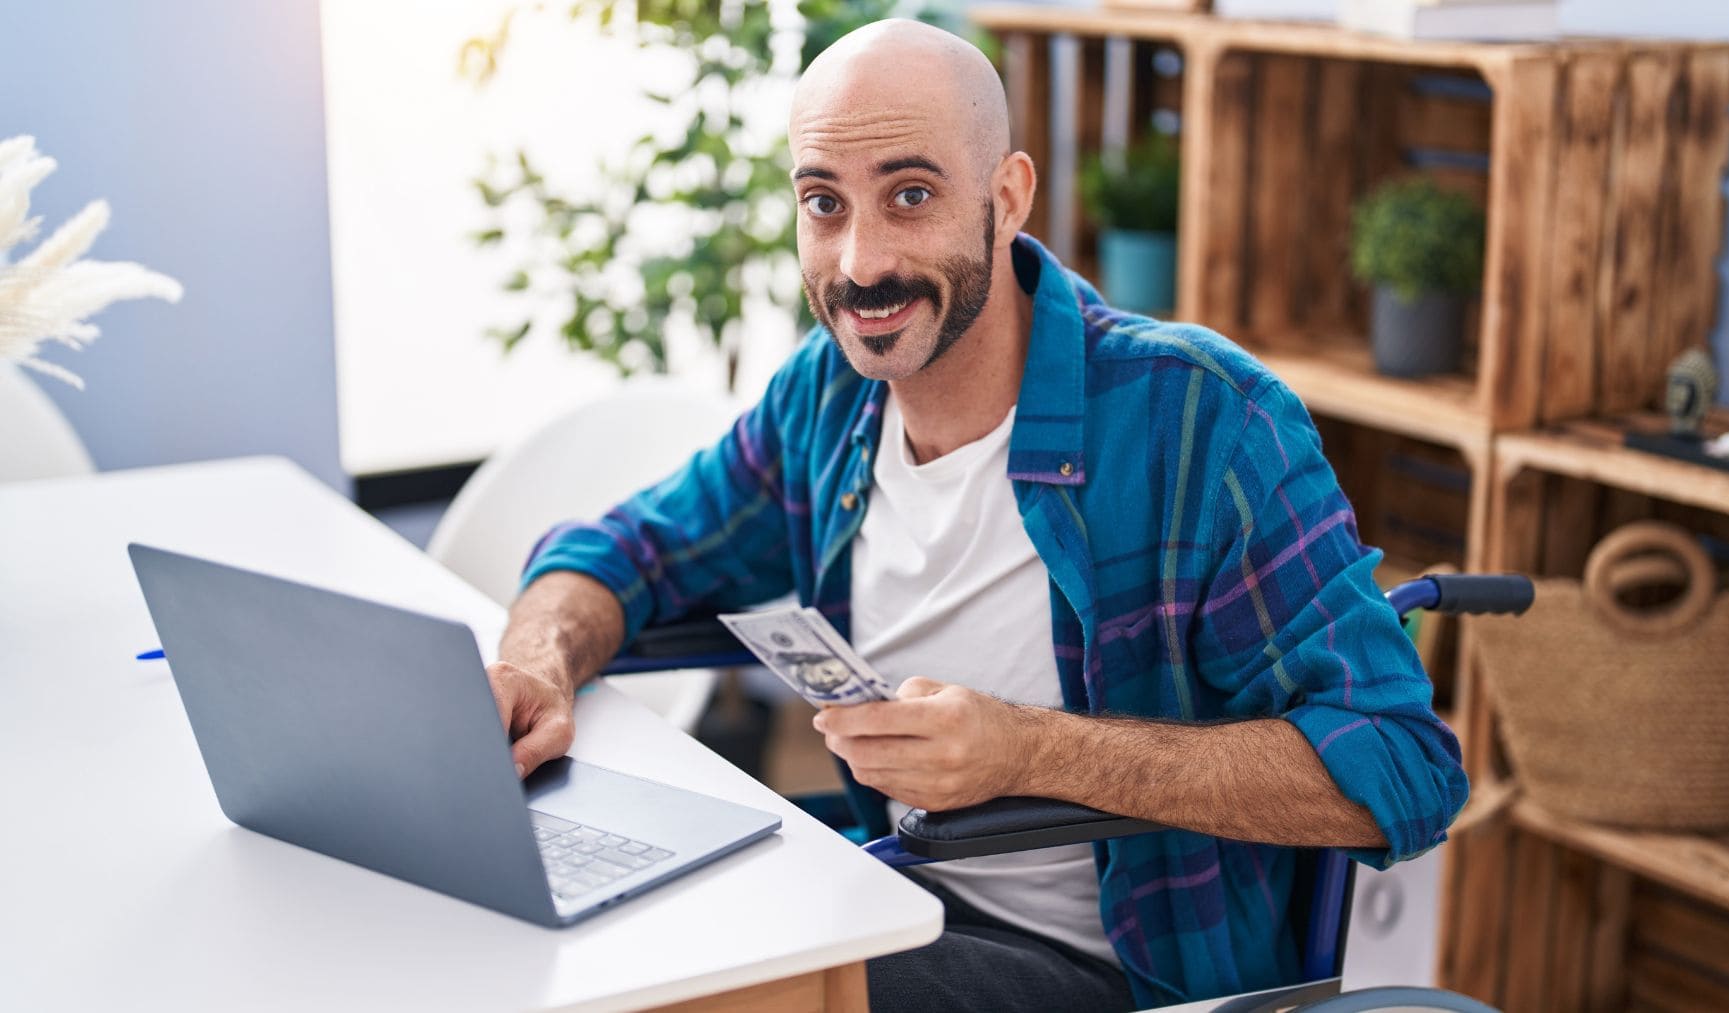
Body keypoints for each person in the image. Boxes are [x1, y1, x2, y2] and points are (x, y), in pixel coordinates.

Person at [486, 18, 1468, 1012]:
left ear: (1008, 198)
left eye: (910, 196)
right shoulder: (826, 401)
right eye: (824, 203)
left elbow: (1403, 765)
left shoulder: (1201, 419)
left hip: (1122, 972)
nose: (860, 261)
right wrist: (538, 664)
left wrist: (1030, 751)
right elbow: (621, 550)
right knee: (586, 948)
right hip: (895, 889)